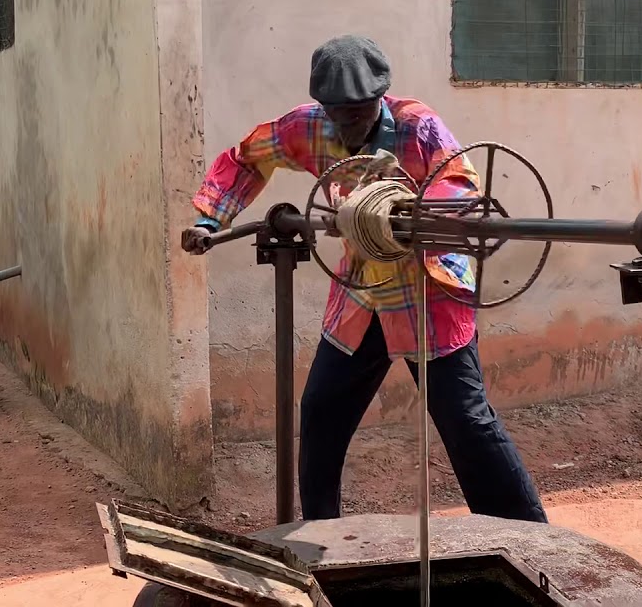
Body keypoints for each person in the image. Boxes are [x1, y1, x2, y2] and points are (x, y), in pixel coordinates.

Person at [181, 35, 547, 523]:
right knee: (321, 413)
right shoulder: (309, 127)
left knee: (465, 420)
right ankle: (321, 537)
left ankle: (527, 537)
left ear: (379, 99)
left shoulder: (419, 128)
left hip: (426, 289)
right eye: (337, 116)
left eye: (357, 115)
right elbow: (247, 157)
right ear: (323, 107)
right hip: (363, 294)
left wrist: (398, 212)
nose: (348, 127)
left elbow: (461, 187)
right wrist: (210, 219)